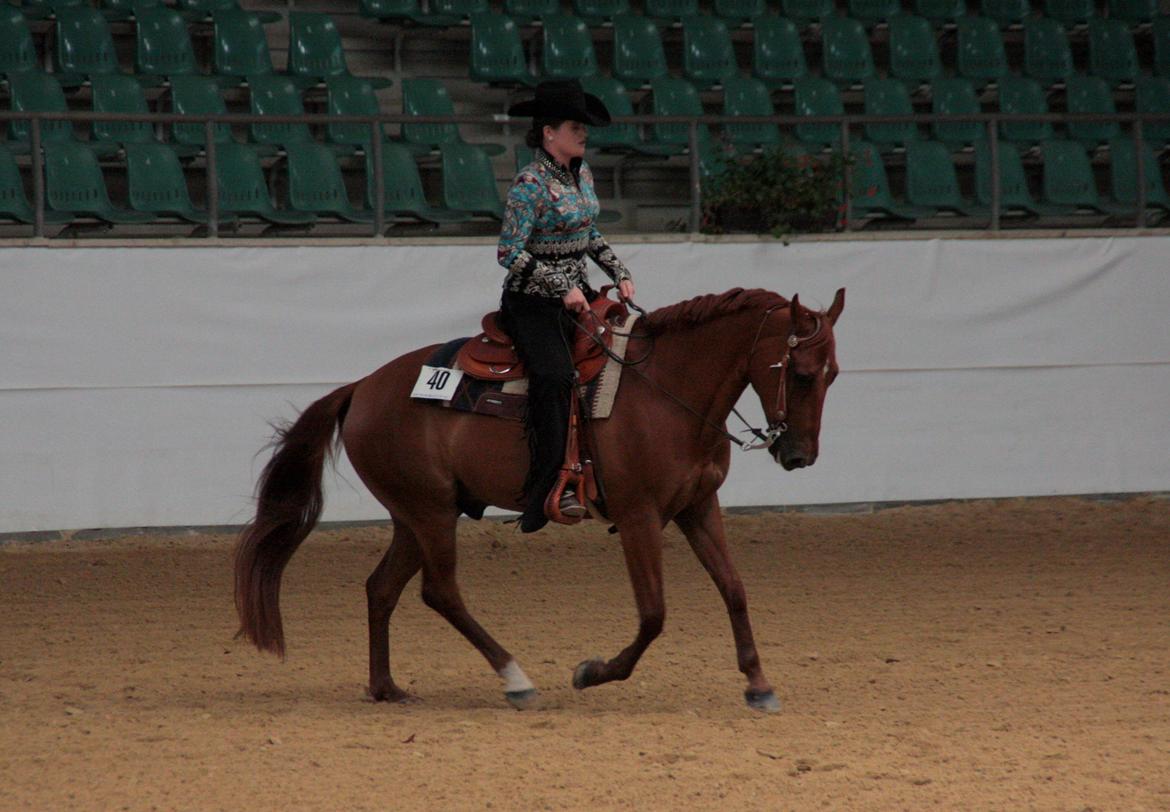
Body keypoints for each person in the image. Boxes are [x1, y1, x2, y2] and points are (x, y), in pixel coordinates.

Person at [497, 80, 637, 533]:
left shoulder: (583, 174)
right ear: (548, 133)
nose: (584, 134)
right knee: (556, 377)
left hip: (578, 299)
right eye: (575, 127)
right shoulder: (529, 184)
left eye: (584, 127)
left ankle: (611, 476)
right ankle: (546, 489)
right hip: (532, 305)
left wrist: (619, 271)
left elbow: (589, 235)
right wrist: (560, 285)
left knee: (623, 361)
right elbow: (509, 252)